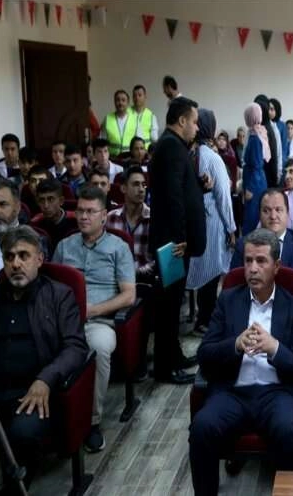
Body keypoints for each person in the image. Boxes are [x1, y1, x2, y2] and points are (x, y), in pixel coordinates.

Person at [190, 229, 293, 495]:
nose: (253, 269)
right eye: (248, 261)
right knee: (202, 427)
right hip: (233, 392)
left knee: (289, 431)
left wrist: (274, 348)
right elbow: (204, 355)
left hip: (276, 393)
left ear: (277, 266)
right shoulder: (228, 300)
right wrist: (235, 344)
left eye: (261, 261)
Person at [0, 226, 88, 492]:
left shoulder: (59, 295)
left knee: (22, 434)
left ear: (39, 259)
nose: (16, 264)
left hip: (34, 393)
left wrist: (46, 379)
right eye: (9, 257)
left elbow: (75, 347)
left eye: (23, 255)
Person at [53, 186, 136, 453]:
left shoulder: (118, 248)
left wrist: (93, 311)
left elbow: (129, 295)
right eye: (80, 211)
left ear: (103, 216)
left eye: (90, 211)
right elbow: (51, 289)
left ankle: (91, 422)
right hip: (63, 319)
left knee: (99, 349)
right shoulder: (64, 246)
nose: (83, 217)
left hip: (99, 321)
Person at [148, 96, 207, 385]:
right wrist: (180, 239)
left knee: (173, 302)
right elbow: (172, 198)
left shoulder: (173, 146)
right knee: (169, 307)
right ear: (182, 120)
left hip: (174, 243)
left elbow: (181, 189)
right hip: (172, 245)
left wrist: (200, 186)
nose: (197, 127)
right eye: (194, 122)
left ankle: (174, 355)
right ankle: (165, 368)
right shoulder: (171, 147)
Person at [186, 109, 236, 335]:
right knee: (212, 272)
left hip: (194, 220)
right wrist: (231, 227)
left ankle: (201, 316)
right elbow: (223, 197)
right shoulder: (213, 158)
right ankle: (204, 320)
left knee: (202, 268)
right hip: (213, 221)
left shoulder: (191, 153)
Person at [231, 189, 293, 315]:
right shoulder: (244, 245)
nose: (273, 216)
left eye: (278, 210)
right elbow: (234, 286)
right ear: (259, 214)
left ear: (287, 213)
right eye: (266, 211)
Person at [106, 166, 154, 281]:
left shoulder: (154, 219)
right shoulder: (110, 218)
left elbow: (157, 261)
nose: (141, 189)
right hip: (113, 279)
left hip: (144, 281)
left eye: (143, 185)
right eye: (136, 184)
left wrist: (132, 273)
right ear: (124, 188)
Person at [241, 102, 269, 235]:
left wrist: (250, 188)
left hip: (255, 182)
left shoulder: (255, 138)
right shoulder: (258, 133)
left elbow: (257, 165)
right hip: (255, 179)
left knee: (252, 219)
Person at [32, 179, 77, 256]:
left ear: (61, 201)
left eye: (51, 199)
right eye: (41, 200)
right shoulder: (36, 225)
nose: (46, 205)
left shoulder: (75, 223)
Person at [100, 90, 137, 157]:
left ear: (128, 103)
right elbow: (102, 141)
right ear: (114, 102)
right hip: (112, 158)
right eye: (118, 100)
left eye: (123, 100)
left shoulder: (135, 119)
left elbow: (139, 142)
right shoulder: (107, 119)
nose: (120, 103)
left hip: (130, 158)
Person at [254, 95, 279, 187]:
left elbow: (275, 157)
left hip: (265, 177)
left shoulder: (268, 129)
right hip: (259, 177)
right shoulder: (257, 128)